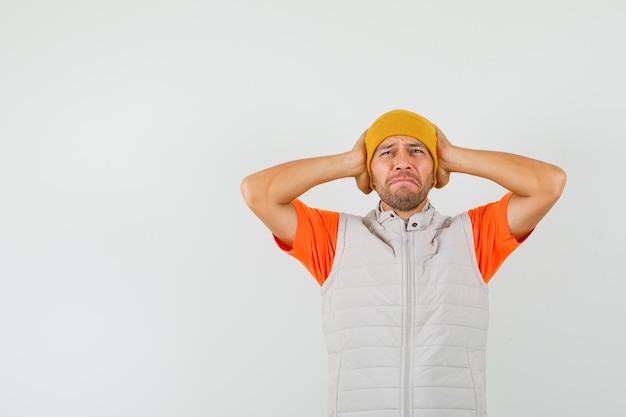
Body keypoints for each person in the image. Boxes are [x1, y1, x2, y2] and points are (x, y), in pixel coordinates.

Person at [240, 109, 566, 417]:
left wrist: (450, 155)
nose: (402, 162)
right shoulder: (334, 237)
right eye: (386, 152)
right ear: (368, 170)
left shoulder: (474, 235)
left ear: (435, 167)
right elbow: (257, 192)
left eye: (416, 151)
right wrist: (351, 160)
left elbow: (549, 184)